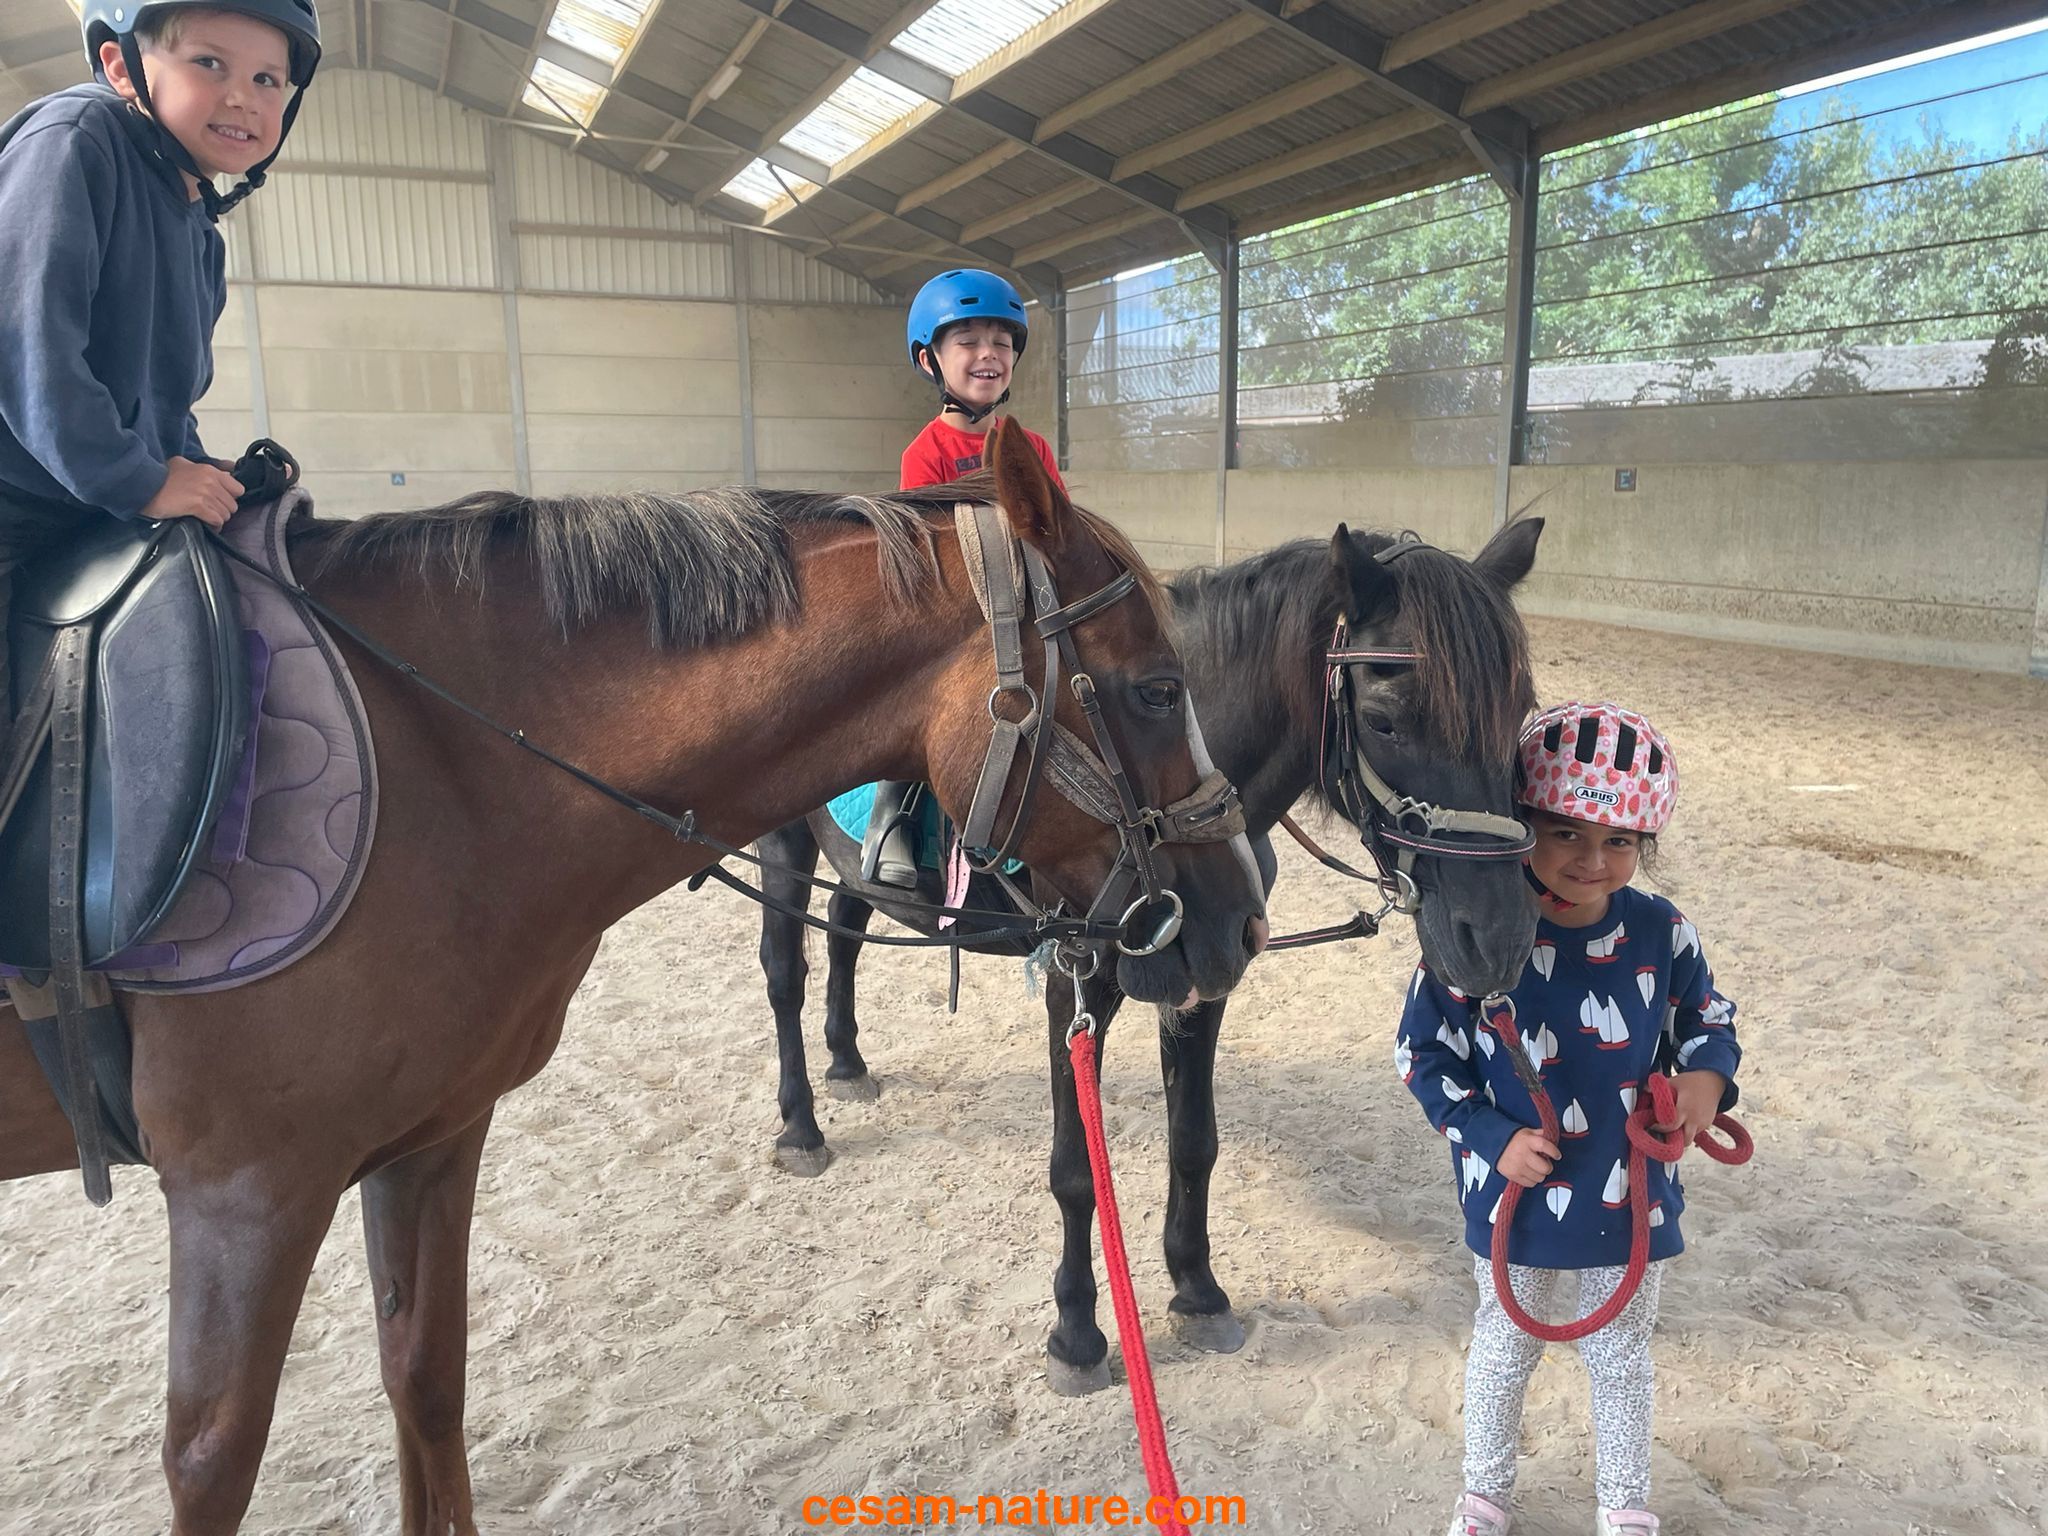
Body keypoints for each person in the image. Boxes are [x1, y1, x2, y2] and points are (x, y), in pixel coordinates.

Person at [1395, 702, 1743, 1536]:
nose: (1592, 861)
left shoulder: (1663, 931)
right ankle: (1484, 1496)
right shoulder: (1475, 939)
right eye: (1565, 834)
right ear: (1523, 826)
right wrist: (1493, 1138)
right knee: (1505, 1343)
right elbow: (1421, 1055)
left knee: (1620, 1354)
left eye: (1618, 841)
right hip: (1514, 1196)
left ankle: (1623, 1505)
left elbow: (1709, 1018)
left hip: (1630, 1196)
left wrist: (1705, 1080)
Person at [0, 0, 321, 718]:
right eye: (210, 63)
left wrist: (198, 469)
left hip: (79, 500)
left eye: (268, 79)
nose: (243, 97)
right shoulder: (75, 141)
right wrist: (137, 479)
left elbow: (163, 397)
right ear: (122, 66)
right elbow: (25, 344)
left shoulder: (199, 228)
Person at [862, 269, 1065, 887]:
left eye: (1001, 342)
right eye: (969, 341)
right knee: (911, 698)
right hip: (957, 617)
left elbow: (1058, 532)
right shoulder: (924, 454)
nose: (988, 354)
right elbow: (930, 554)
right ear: (931, 360)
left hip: (1026, 606)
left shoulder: (1032, 448)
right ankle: (891, 817)